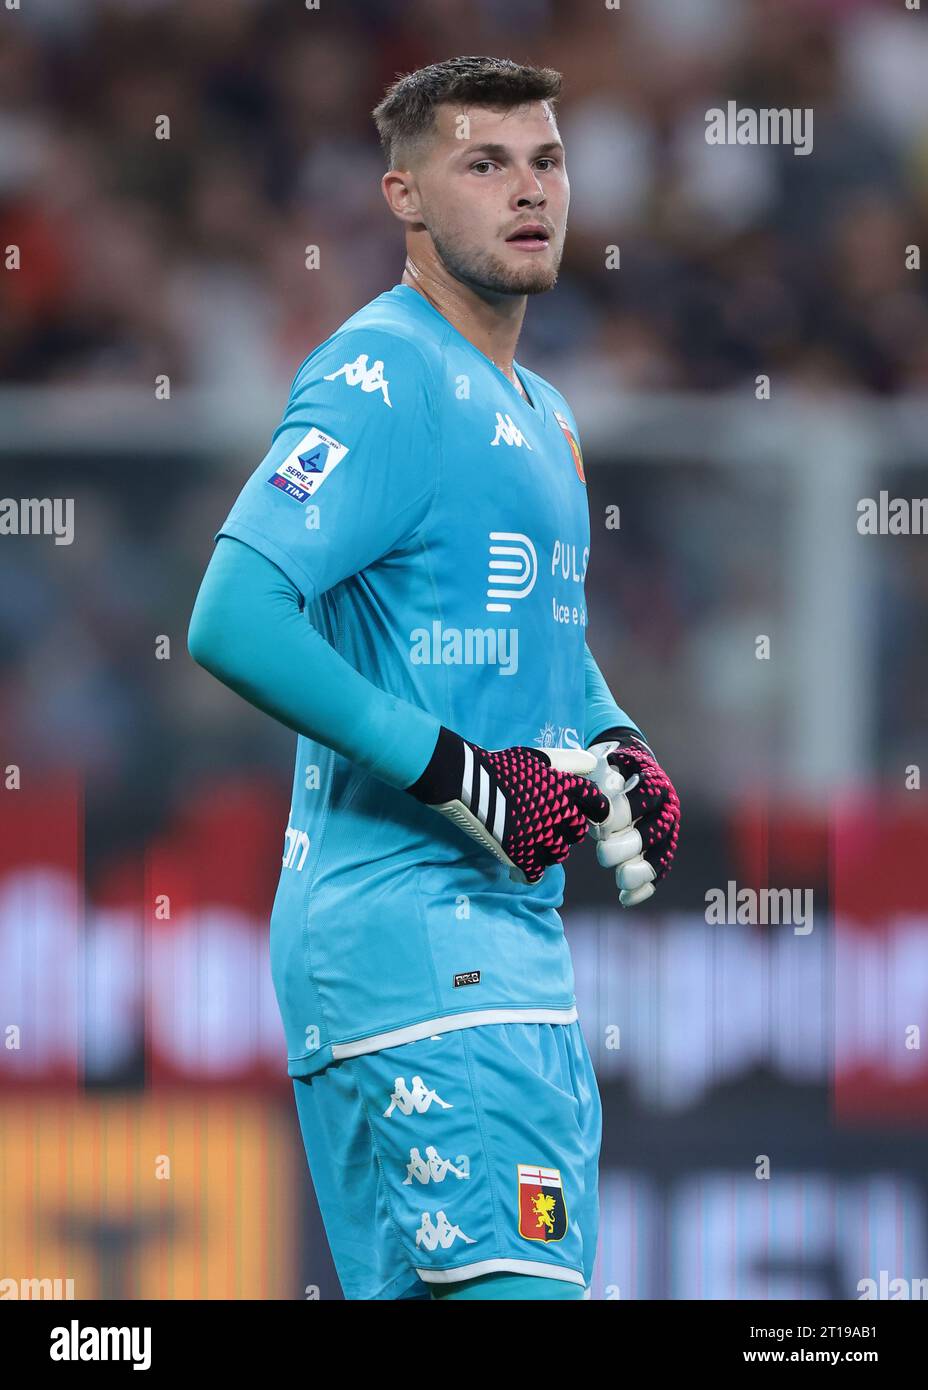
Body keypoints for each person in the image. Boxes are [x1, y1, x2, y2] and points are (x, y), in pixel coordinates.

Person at [188, 55, 680, 1301]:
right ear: (403, 195)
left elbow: (529, 630)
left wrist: (614, 735)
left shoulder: (541, 406)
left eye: (547, 161)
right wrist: (455, 770)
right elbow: (236, 612)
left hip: (467, 945)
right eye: (485, 162)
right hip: (424, 939)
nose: (529, 190)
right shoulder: (387, 374)